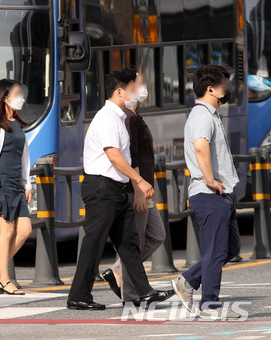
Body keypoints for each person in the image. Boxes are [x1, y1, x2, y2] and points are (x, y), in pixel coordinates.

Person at [67, 70, 172, 310]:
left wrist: (132, 183)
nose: (137, 93)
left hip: (116, 188)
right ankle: (78, 296)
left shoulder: (119, 117)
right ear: (120, 91)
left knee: (129, 242)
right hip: (101, 188)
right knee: (94, 243)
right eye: (133, 88)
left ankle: (144, 292)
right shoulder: (106, 118)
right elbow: (113, 155)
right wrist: (140, 181)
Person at [170, 65, 241, 318]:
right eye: (224, 85)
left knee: (230, 248)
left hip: (221, 194)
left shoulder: (210, 114)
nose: (228, 89)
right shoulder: (201, 115)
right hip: (209, 194)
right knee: (216, 251)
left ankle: (188, 281)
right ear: (211, 89)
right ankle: (210, 305)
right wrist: (210, 179)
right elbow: (201, 147)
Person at [102, 70, 170, 306]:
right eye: (138, 83)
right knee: (137, 242)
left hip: (145, 186)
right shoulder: (128, 118)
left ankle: (118, 272)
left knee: (157, 235)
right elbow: (130, 158)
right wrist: (139, 190)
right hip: (136, 189)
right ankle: (131, 295)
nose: (142, 87)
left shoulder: (134, 116)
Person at [0, 79, 32, 295]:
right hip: (1, 185)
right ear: (4, 97)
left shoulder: (17, 122)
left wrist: (27, 183)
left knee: (25, 230)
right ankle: (3, 279)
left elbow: (24, 158)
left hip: (16, 186)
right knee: (6, 231)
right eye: (17, 93)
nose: (21, 97)